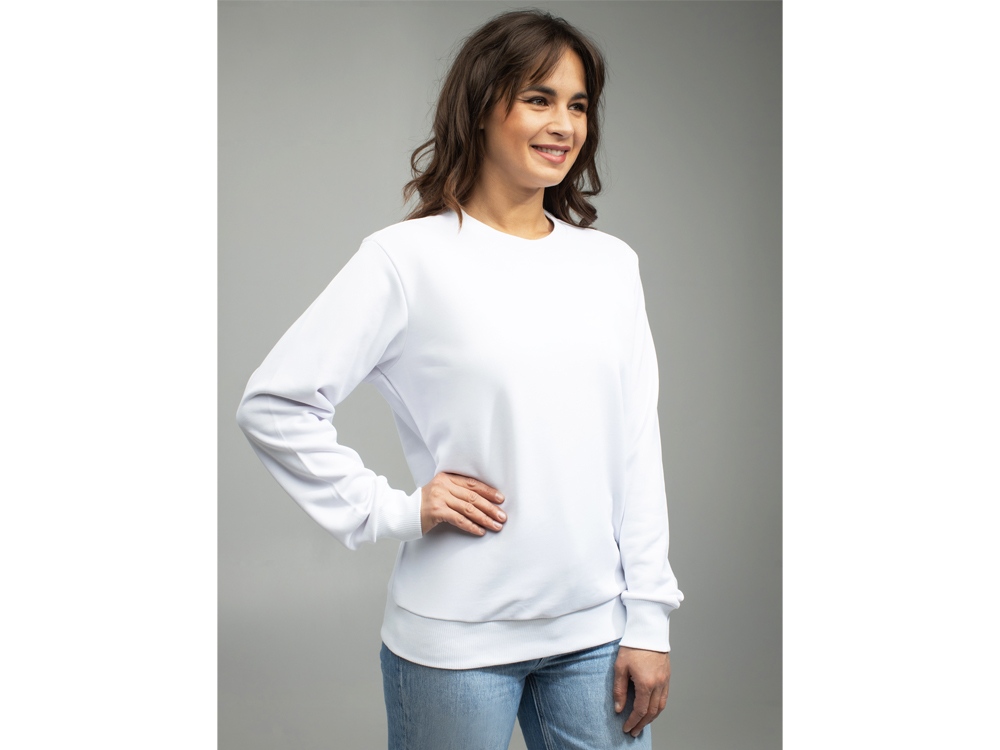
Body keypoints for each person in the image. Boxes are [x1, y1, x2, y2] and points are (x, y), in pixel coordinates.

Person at [236, 8, 683, 749]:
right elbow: (274, 405)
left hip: (598, 636)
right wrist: (392, 510)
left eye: (578, 105)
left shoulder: (611, 266)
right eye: (538, 99)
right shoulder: (405, 260)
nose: (564, 125)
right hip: (454, 641)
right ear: (480, 108)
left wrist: (650, 619)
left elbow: (636, 451)